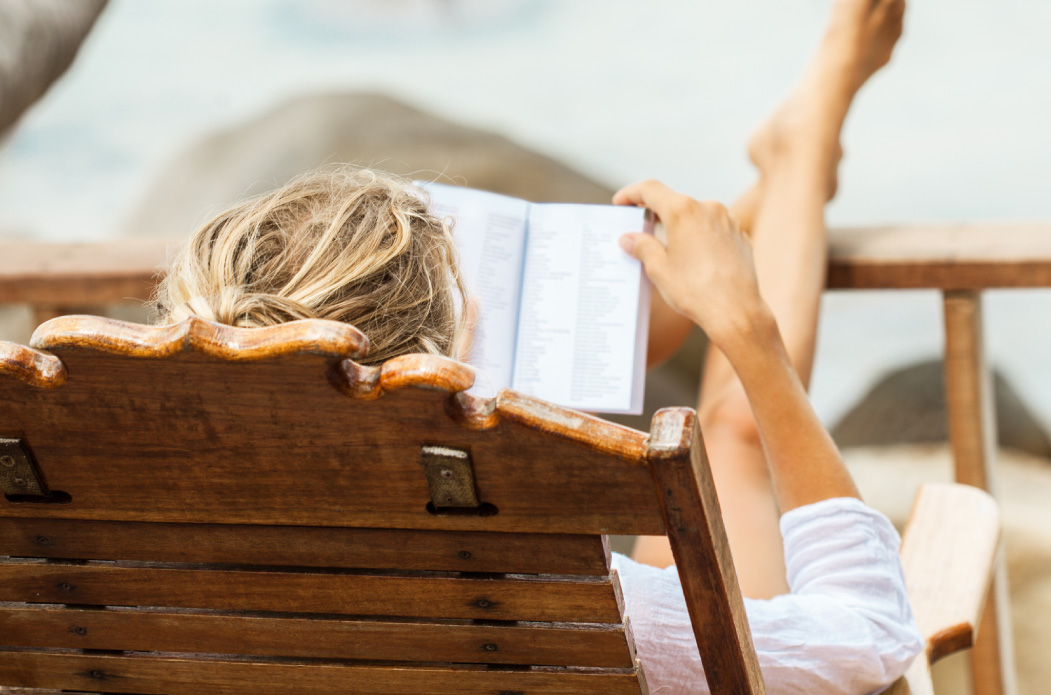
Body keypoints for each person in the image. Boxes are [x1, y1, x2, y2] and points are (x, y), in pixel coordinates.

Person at [153, 0, 920, 692]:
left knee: (728, 450)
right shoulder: (578, 603)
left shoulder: (136, 561)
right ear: (427, 367)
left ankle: (787, 168)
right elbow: (867, 636)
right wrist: (752, 339)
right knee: (736, 437)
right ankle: (801, 147)